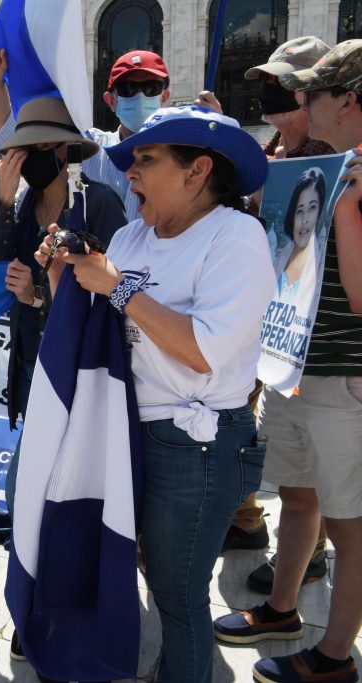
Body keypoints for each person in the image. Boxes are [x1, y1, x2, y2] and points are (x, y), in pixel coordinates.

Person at [37, 106, 273, 682]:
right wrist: (63, 277)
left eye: (146, 159)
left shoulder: (236, 237)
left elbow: (203, 351)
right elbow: (104, 323)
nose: (131, 172)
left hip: (196, 448)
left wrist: (115, 286)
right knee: (141, 565)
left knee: (178, 596)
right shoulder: (131, 234)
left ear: (197, 172)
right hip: (130, 431)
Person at [213, 39, 362, 683]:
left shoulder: (350, 178)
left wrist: (349, 212)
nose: (296, 102)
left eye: (308, 92)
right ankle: (280, 610)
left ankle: (334, 659)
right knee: (298, 498)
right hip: (294, 368)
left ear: (347, 100)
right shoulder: (313, 166)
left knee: (352, 529)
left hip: (344, 380)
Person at [0, 96, 127, 663]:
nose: (34, 157)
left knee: (65, 492)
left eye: (44, 146)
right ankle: (32, 605)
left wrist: (39, 292)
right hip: (31, 364)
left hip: (84, 374)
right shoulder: (21, 208)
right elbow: (1, 269)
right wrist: (1, 199)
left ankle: (63, 604)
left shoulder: (100, 206)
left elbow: (117, 292)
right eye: (27, 147)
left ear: (66, 151)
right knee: (30, 489)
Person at [222, 38, 333, 588]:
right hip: (270, 331)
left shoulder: (338, 159)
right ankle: (255, 524)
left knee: (316, 474)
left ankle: (312, 554)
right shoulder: (273, 157)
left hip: (326, 346)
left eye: (285, 86)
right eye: (269, 84)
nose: (272, 96)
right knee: (272, 451)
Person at [0, 49, 172, 221]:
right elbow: (11, 140)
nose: (140, 97)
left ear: (164, 97)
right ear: (111, 101)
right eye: (128, 90)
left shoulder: (184, 158)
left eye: (151, 88)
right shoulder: (91, 147)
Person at [277, 167, 326, 298]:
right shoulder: (278, 260)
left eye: (312, 208)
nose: (305, 219)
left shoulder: (322, 267)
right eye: (299, 210)